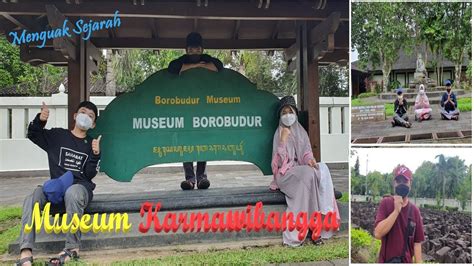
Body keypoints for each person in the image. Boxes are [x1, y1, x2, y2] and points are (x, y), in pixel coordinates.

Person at [16, 101, 101, 266]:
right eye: (83, 112)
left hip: (79, 190)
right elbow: (34, 134)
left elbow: (90, 175)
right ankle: (26, 250)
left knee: (73, 192)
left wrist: (96, 154)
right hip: (57, 190)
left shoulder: (91, 144)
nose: (86, 117)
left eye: (90, 116)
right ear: (75, 116)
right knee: (32, 197)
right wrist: (41, 120)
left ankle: (72, 248)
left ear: (93, 123)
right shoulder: (58, 136)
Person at [269, 96, 340, 247]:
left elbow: (306, 152)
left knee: (314, 172)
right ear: (280, 116)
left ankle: (314, 229)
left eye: (290, 111)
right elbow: (278, 164)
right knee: (308, 175)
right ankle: (307, 231)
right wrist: (283, 140)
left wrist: (310, 160)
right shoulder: (279, 133)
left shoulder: (301, 131)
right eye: (284, 112)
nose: (288, 115)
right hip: (285, 175)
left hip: (301, 172)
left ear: (295, 113)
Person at [167, 32, 224, 190]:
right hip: (185, 108)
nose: (194, 52)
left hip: (203, 109)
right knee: (186, 143)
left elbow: (218, 67)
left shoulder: (208, 58)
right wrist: (197, 66)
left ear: (202, 49)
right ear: (186, 50)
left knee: (202, 143)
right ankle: (190, 179)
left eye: (197, 49)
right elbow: (172, 69)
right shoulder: (180, 61)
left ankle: (201, 177)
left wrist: (190, 68)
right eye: (191, 49)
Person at [374, 165, 425, 263]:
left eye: (405, 181)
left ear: (410, 183)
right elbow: (377, 233)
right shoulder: (386, 203)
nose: (402, 184)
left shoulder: (415, 211)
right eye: (399, 181)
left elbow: (417, 243)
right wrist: (396, 211)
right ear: (394, 183)